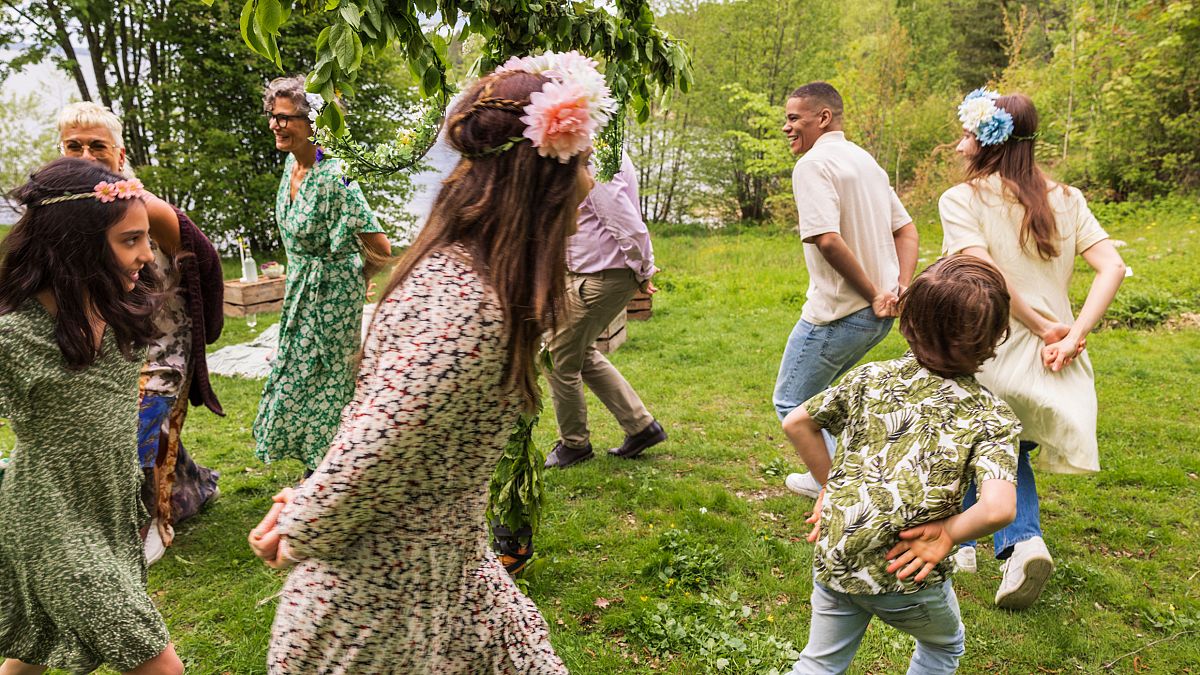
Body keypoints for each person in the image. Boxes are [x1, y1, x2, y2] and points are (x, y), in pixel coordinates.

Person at [246, 51, 611, 671]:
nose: (590, 181)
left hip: (454, 577)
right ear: (540, 176)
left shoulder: (478, 279)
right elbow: (377, 445)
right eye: (584, 161)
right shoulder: (470, 306)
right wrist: (302, 519)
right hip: (377, 613)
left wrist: (305, 501)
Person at [784, 255, 1020, 675]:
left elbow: (798, 422)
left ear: (907, 321)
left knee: (818, 663)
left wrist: (831, 487)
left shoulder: (869, 377)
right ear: (996, 336)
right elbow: (999, 509)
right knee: (943, 648)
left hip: (837, 556)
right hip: (905, 572)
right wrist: (949, 533)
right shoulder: (992, 417)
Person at [940, 89, 1126, 609]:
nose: (959, 147)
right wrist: (1071, 331)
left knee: (979, 439)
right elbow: (1111, 267)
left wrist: (1046, 329)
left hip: (991, 344)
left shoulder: (963, 199)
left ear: (989, 140)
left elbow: (988, 275)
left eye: (967, 135)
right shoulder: (1067, 198)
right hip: (1052, 355)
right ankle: (968, 541)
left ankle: (1019, 542)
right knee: (1003, 442)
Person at [0, 158, 184, 674]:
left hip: (108, 509)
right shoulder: (13, 336)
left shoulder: (117, 311)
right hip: (46, 519)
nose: (147, 255)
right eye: (130, 241)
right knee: (161, 666)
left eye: (146, 238)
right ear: (77, 244)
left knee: (30, 649)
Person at [57, 102, 223, 564]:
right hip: (118, 342)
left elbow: (205, 260)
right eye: (75, 145)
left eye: (98, 146)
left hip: (167, 338)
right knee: (133, 427)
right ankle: (192, 490)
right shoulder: (70, 208)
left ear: (120, 152)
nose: (86, 155)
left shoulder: (145, 206)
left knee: (147, 425)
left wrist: (206, 332)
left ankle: (156, 523)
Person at [775, 81, 919, 499]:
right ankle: (837, 473)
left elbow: (827, 239)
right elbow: (906, 230)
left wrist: (878, 291)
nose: (786, 127)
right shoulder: (865, 161)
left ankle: (842, 493)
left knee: (791, 402)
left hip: (839, 313)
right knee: (822, 401)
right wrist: (898, 287)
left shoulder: (813, 165)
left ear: (822, 118)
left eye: (792, 118)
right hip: (876, 317)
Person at [253, 76, 392, 473]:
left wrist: (356, 275)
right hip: (299, 290)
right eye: (272, 116)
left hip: (332, 297)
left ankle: (333, 470)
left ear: (313, 121)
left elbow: (381, 248)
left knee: (330, 382)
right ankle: (319, 467)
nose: (276, 125)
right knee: (297, 375)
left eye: (285, 117)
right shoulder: (290, 166)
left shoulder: (337, 175)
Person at [543, 152, 665, 468]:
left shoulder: (595, 156)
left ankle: (574, 445)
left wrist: (643, 268)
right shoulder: (590, 147)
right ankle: (641, 427)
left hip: (602, 275)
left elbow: (623, 218)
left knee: (557, 357)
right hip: (589, 273)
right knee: (577, 352)